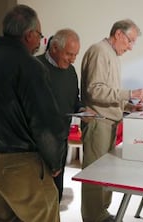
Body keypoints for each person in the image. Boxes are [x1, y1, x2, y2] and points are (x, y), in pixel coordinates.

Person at [0, 4, 65, 222]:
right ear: (30, 35)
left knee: (1, 217)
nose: (39, 41)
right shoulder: (29, 66)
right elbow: (45, 123)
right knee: (45, 215)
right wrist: (55, 162)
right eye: (40, 35)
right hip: (19, 163)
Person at [80, 19, 143, 222]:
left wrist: (129, 106)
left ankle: (101, 213)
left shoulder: (111, 54)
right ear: (118, 34)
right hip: (98, 122)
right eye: (130, 41)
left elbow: (108, 94)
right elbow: (95, 90)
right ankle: (94, 217)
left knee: (105, 173)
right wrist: (129, 93)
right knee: (95, 174)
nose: (131, 47)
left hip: (108, 122)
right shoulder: (100, 51)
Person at [36, 28, 86, 203]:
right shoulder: (35, 67)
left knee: (56, 193)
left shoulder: (71, 72)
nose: (73, 59)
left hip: (60, 139)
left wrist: (81, 110)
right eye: (69, 54)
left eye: (75, 55)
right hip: (37, 143)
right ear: (55, 47)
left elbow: (74, 99)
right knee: (37, 197)